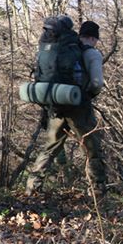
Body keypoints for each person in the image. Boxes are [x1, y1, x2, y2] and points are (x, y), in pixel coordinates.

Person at [25, 20, 107, 198]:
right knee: (92, 148)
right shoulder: (91, 53)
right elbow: (97, 83)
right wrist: (88, 95)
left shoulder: (67, 47)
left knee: (50, 146)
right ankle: (97, 190)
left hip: (57, 103)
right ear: (93, 38)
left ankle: (32, 186)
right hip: (79, 106)